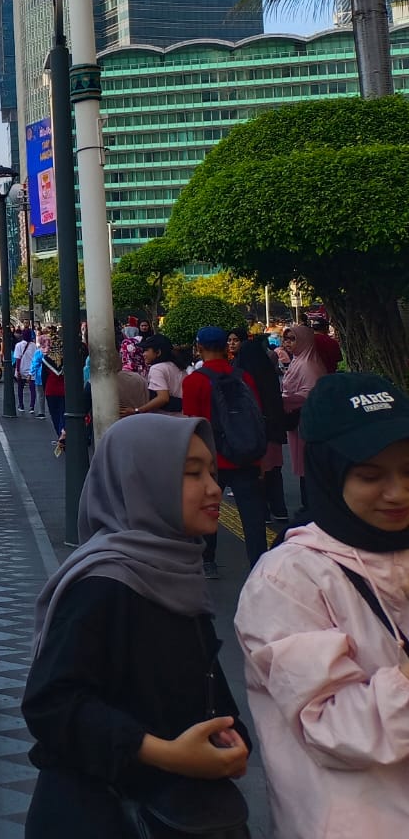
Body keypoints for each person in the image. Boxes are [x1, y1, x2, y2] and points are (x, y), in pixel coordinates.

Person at [22, 414, 251, 837]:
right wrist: (164, 754)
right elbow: (51, 705)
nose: (214, 488)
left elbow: (199, 677)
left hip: (178, 808)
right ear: (142, 481)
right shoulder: (104, 584)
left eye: (213, 473)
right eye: (191, 474)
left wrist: (229, 736)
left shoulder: (176, 566)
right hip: (104, 815)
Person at [234, 371, 409, 838]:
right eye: (371, 475)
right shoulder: (286, 579)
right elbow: (332, 726)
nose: (399, 492)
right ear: (329, 473)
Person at [185, 326, 266, 578]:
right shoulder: (244, 377)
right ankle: (260, 565)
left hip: (211, 460)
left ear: (199, 347)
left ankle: (208, 561)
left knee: (208, 509)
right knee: (253, 517)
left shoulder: (194, 381)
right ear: (226, 346)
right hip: (245, 456)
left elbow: (192, 423)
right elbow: (256, 417)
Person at [230, 327, 290, 524]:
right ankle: (280, 509)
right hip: (273, 426)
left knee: (259, 472)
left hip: (257, 428)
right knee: (275, 470)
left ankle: (262, 512)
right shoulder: (269, 373)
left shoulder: (243, 374)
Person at [281, 323, 328, 512]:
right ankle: (308, 504)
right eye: (286, 338)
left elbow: (311, 394)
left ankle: (312, 506)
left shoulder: (309, 365)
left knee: (307, 463)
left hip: (306, 421)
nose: (287, 343)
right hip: (298, 421)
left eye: (293, 339)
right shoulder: (299, 360)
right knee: (302, 463)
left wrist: (285, 400)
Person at [14, 329, 40, 416]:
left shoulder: (18, 345)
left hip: (21, 368)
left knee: (20, 388)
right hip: (31, 370)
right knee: (32, 389)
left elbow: (18, 359)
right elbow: (36, 358)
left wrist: (18, 371)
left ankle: (21, 405)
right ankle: (32, 406)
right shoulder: (34, 346)